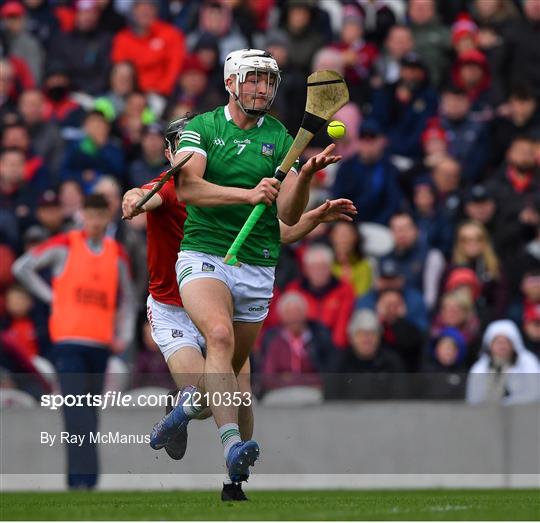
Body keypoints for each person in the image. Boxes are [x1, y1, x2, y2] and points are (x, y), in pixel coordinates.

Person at [121, 113, 355, 499]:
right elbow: (142, 196)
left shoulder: (225, 189)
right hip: (172, 308)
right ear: (169, 153)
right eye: (182, 146)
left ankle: (234, 480)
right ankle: (178, 413)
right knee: (212, 399)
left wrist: (314, 216)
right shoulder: (172, 188)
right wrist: (132, 200)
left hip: (217, 302)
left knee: (238, 392)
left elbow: (279, 231)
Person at [12, 193, 136, 490]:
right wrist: (52, 297)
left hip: (100, 344)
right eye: (90, 215)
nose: (94, 222)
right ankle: (81, 480)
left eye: (100, 216)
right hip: (69, 341)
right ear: (82, 215)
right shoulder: (66, 244)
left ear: (107, 218)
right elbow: (22, 268)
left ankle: (84, 481)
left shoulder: (115, 252)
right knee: (76, 411)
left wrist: (125, 336)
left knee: (89, 414)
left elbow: (128, 298)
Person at [466, 319, 540, 405]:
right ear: (490, 345)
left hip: (523, 414)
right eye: (497, 342)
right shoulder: (479, 368)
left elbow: (536, 393)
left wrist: (507, 403)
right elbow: (473, 400)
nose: (502, 346)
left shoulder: (528, 362)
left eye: (506, 342)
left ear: (514, 344)